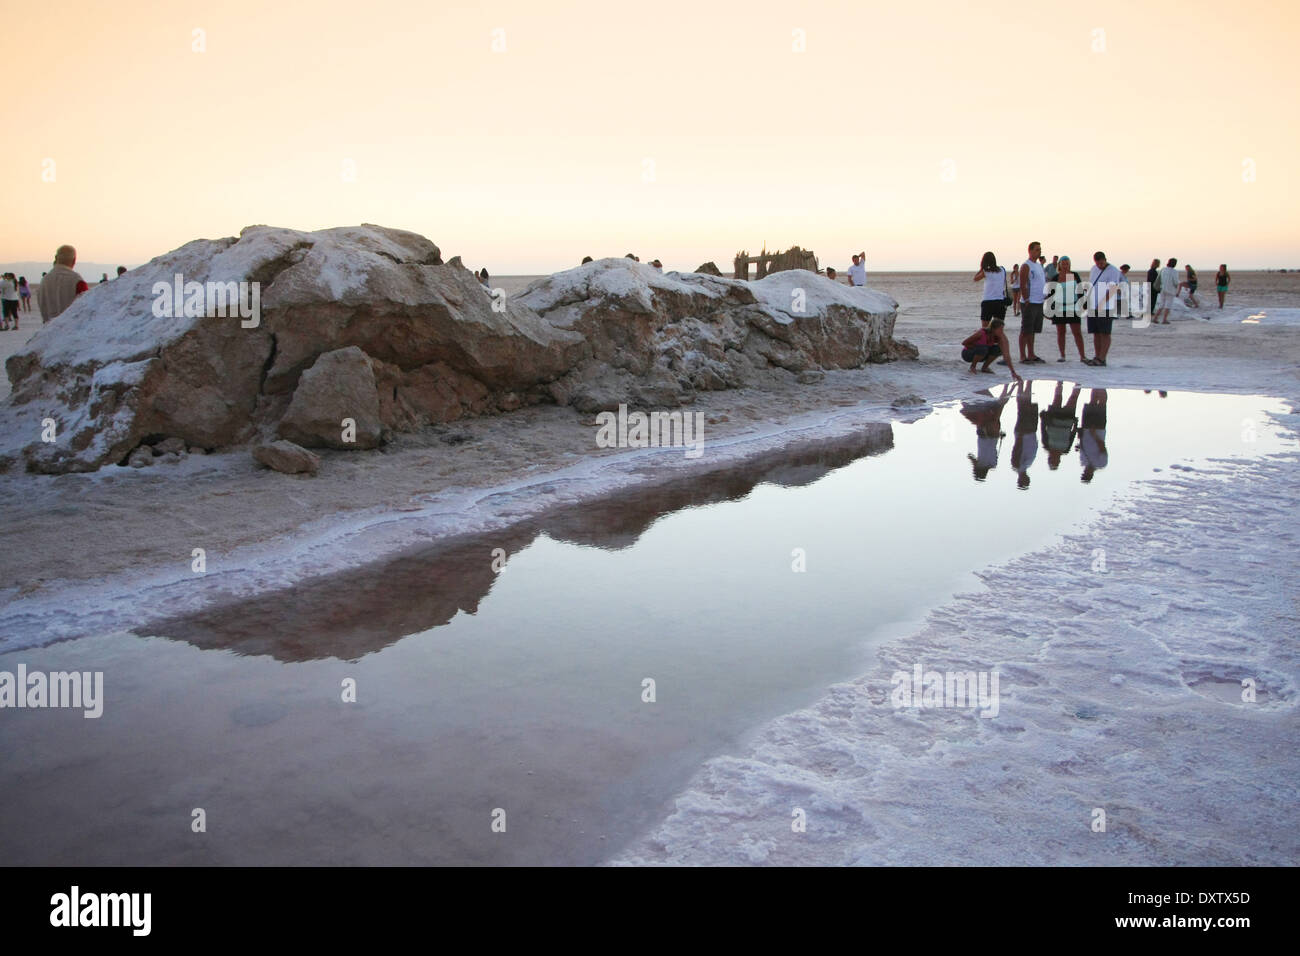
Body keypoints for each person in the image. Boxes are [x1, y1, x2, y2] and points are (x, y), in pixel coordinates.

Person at [961, 385, 1013, 481]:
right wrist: (970, 458)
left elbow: (993, 450)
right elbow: (971, 457)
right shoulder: (980, 465)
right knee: (990, 408)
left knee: (998, 409)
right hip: (984, 434)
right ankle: (980, 389)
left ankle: (1008, 388)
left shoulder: (993, 464)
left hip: (994, 435)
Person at [1047, 255, 1088, 362]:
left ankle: (1082, 356)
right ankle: (1062, 355)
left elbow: (1080, 290)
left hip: (1073, 307)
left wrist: (1084, 304)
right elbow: (1051, 294)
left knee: (1077, 332)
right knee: (1061, 332)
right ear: (1059, 265)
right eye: (1063, 263)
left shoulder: (1073, 275)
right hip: (1059, 308)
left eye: (1067, 263)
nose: (1065, 265)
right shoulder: (1056, 277)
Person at [1085, 251, 1123, 366]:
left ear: (1105, 260)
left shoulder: (1113, 271)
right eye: (1098, 264)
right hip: (1092, 305)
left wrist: (1101, 304)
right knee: (1095, 332)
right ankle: (1097, 356)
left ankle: (1102, 358)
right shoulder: (1093, 269)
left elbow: (1112, 289)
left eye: (1101, 263)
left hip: (1105, 307)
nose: (1100, 266)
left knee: (1105, 333)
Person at [38, 245, 90, 323]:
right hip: (71, 328)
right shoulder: (77, 280)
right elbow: (87, 306)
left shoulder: (44, 280)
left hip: (48, 328)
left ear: (56, 258)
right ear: (74, 260)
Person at [961, 314, 1021, 380]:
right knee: (983, 348)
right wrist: (977, 347)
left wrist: (1013, 372)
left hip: (982, 353)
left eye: (1002, 329)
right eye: (1000, 329)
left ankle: (985, 367)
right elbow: (964, 343)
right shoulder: (982, 333)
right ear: (993, 329)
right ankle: (973, 367)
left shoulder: (1000, 338)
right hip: (967, 353)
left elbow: (1006, 355)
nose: (1002, 331)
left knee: (998, 349)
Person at [1017, 240, 1047, 364]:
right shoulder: (1026, 265)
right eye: (1036, 249)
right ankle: (1023, 356)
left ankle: (1031, 353)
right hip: (1029, 302)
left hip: (1039, 301)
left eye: (1040, 249)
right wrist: (1027, 299)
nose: (1039, 252)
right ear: (1030, 251)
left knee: (1033, 330)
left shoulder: (1039, 265)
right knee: (1025, 330)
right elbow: (1022, 284)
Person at [1040, 381, 1081, 470]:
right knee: (1073, 398)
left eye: (1052, 460)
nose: (1055, 458)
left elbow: (1043, 431)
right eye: (1056, 461)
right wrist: (1076, 424)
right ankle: (1078, 383)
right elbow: (1072, 436)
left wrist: (1043, 419)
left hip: (1054, 418)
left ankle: (1059, 382)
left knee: (1057, 398)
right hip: (1068, 420)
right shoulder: (1065, 450)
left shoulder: (1047, 445)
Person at [1010, 380, 1039, 489]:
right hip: (1029, 432)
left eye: (1025, 481)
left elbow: (1017, 449)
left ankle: (1023, 385)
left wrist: (1020, 437)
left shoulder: (1017, 465)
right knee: (1026, 407)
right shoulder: (1025, 465)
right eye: (1027, 481)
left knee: (1023, 408)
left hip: (1024, 432)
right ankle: (1027, 384)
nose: (1027, 479)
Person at [973, 250, 1008, 328]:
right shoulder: (1002, 270)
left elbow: (975, 278)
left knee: (985, 329)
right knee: (998, 330)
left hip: (988, 301)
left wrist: (981, 268)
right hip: (1000, 301)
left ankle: (988, 340)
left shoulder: (986, 271)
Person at [1079, 388, 1108, 483]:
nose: (1085, 472)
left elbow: (1083, 445)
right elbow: (1102, 447)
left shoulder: (1083, 461)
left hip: (1086, 428)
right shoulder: (1101, 464)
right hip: (1098, 429)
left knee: (1092, 402)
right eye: (1086, 474)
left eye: (1084, 473)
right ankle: (1103, 385)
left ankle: (1095, 384)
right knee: (1102, 404)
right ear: (1091, 475)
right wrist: (1094, 434)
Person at [1153, 257, 1179, 324]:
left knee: (1161, 304)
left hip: (1163, 289)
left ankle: (1155, 318)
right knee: (1168, 305)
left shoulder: (1163, 270)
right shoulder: (1174, 272)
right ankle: (1164, 319)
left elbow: (1159, 279)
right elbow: (1176, 282)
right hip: (1170, 290)